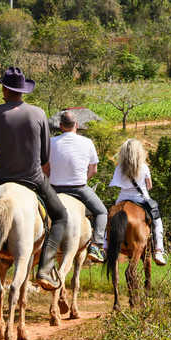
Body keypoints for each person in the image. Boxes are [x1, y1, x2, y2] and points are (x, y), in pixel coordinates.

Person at [0, 67, 68, 292]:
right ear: (23, 90)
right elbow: (44, 155)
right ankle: (44, 269)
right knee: (61, 215)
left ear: (4, 88)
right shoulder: (38, 113)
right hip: (33, 178)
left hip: (1, 176)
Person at [47, 110, 107, 263]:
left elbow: (45, 169)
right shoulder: (87, 142)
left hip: (54, 189)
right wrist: (81, 179)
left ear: (60, 126)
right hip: (79, 189)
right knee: (101, 212)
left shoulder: (51, 142)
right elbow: (93, 170)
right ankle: (96, 245)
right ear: (77, 125)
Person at [108, 138, 166, 265]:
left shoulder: (119, 168)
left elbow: (116, 184)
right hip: (141, 199)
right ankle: (158, 250)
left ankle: (104, 245)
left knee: (109, 219)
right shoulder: (144, 167)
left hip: (122, 198)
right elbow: (149, 186)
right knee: (157, 221)